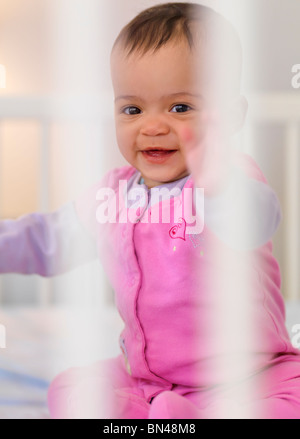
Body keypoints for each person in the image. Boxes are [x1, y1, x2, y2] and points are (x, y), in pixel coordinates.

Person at [1, 2, 300, 419]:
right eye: (132, 109)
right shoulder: (112, 196)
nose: (153, 126)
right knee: (71, 389)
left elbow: (255, 220)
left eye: (180, 108)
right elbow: (47, 239)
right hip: (148, 378)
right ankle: (161, 414)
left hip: (251, 376)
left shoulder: (226, 180)